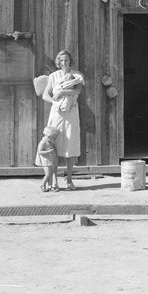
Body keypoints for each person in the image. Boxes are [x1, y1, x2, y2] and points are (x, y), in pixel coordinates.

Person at [42, 50, 85, 190]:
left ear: (70, 61)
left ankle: (69, 180)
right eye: (61, 60)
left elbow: (78, 90)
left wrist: (62, 92)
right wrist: (55, 102)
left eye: (66, 60)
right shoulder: (53, 76)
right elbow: (45, 95)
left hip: (71, 112)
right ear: (58, 62)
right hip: (57, 114)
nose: (64, 63)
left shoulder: (76, 75)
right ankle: (54, 180)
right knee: (53, 145)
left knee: (70, 146)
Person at [35, 125, 60, 192]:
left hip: (51, 160)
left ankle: (50, 186)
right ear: (49, 136)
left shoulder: (50, 142)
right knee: (48, 174)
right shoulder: (43, 142)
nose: (54, 139)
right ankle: (43, 185)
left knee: (51, 173)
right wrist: (48, 152)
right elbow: (40, 151)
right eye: (54, 138)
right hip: (45, 160)